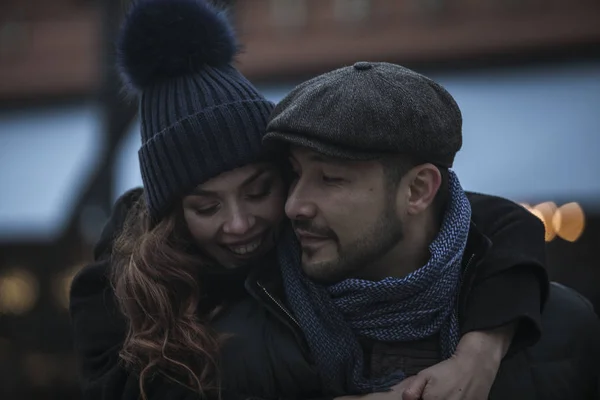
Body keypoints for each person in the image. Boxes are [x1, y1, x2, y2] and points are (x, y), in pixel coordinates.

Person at [69, 1, 550, 399]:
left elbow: (495, 225)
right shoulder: (116, 294)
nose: (239, 225)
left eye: (259, 191)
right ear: (171, 214)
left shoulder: (305, 230)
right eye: (206, 207)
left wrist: (480, 350)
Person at [261, 61, 600, 399]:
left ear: (418, 190)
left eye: (330, 179)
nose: (294, 206)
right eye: (294, 173)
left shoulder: (560, 326)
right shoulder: (251, 333)